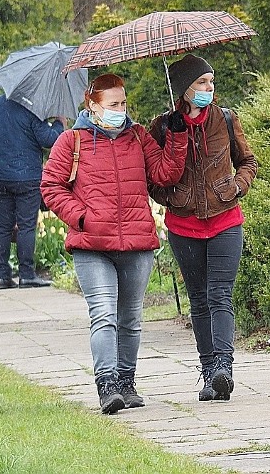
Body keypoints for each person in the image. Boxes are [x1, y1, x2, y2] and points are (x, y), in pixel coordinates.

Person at [41, 73, 188, 414]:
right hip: (92, 245)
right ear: (92, 106)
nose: (120, 110)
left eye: (123, 103)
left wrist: (177, 134)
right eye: (113, 105)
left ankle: (127, 383)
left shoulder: (137, 137)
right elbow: (51, 187)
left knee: (131, 319)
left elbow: (165, 174)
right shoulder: (71, 141)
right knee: (104, 314)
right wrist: (81, 217)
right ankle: (107, 386)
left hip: (136, 243)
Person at [148, 54, 258, 402]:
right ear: (184, 89)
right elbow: (153, 179)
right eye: (202, 83)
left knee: (219, 294)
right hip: (184, 226)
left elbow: (248, 161)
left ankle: (224, 367)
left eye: (211, 81)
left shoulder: (225, 119)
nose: (210, 88)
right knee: (198, 299)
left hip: (226, 220)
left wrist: (236, 186)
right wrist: (174, 197)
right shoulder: (162, 127)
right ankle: (209, 372)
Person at [0, 94, 64, 289]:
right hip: (27, 176)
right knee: (26, 226)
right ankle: (26, 274)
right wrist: (59, 123)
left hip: (0, 177)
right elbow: (48, 139)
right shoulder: (31, 107)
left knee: (3, 226)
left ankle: (2, 275)